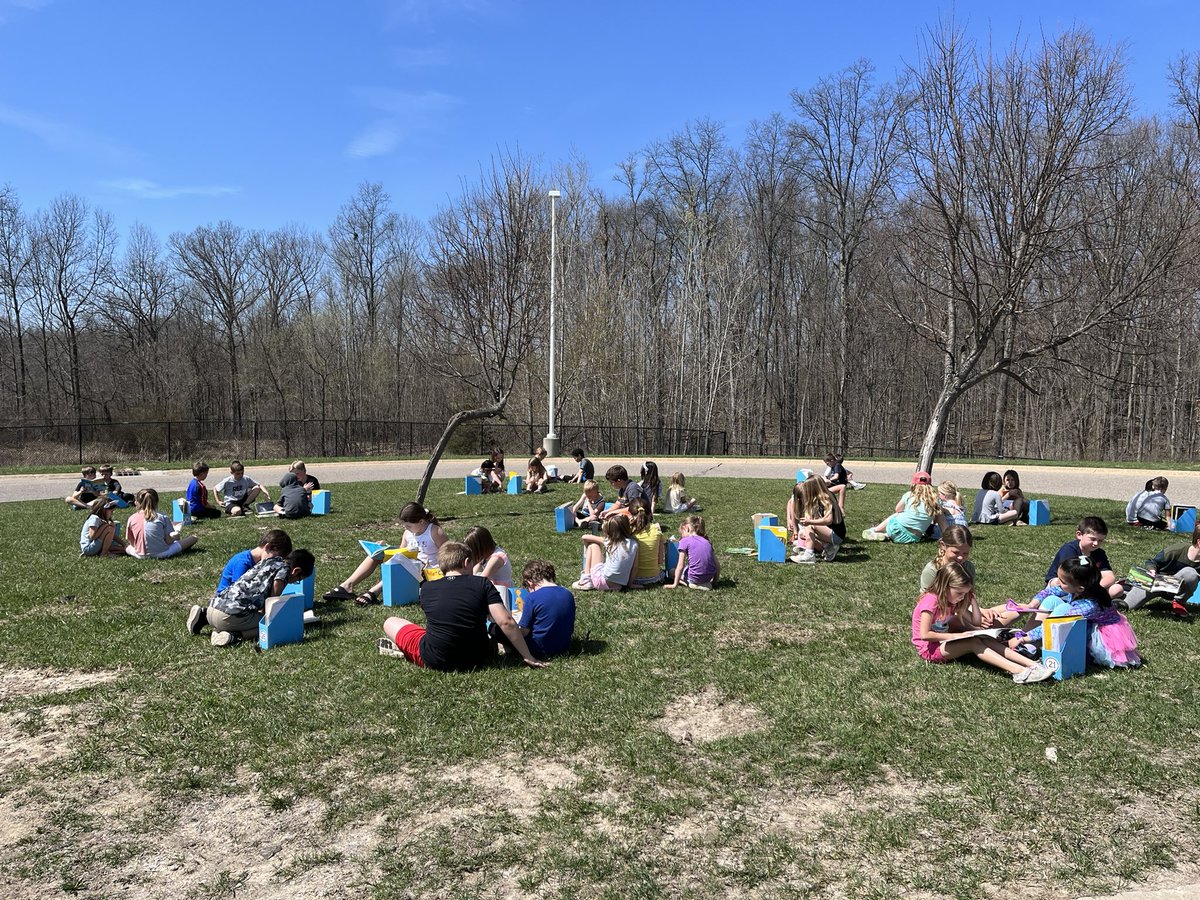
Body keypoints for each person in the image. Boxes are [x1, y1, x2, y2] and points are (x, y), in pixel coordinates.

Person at [380, 542, 547, 671]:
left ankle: (405, 649)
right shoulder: (482, 583)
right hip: (478, 658)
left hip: (436, 659)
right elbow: (506, 622)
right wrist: (528, 656)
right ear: (467, 562)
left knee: (390, 621)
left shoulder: (426, 588)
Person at [912, 562, 1053, 683]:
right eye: (960, 593)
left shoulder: (952, 601)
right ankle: (1018, 671)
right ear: (945, 586)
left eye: (964, 594)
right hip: (929, 649)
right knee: (973, 643)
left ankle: (1033, 665)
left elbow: (976, 621)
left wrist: (972, 601)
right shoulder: (931, 601)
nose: (961, 598)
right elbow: (925, 635)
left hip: (942, 642)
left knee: (982, 636)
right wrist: (956, 636)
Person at [1023, 556, 1141, 668]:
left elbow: (1055, 622)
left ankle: (1029, 642)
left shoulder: (1089, 605)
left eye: (1062, 581)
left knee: (1063, 609)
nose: (1058, 583)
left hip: (1101, 639)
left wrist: (1024, 638)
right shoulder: (1079, 588)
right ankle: (1027, 639)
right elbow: (1049, 592)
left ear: (1080, 588)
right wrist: (1032, 604)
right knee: (1051, 600)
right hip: (1083, 623)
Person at [324, 502, 447, 606]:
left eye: (409, 526)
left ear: (421, 521)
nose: (406, 528)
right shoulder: (408, 533)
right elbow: (402, 551)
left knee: (401, 563)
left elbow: (449, 555)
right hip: (409, 564)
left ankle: (373, 592)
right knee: (376, 554)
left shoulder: (435, 532)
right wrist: (386, 547)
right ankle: (347, 586)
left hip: (428, 572)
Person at [189, 548, 315, 647]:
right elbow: (272, 603)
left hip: (213, 608)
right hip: (229, 618)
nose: (294, 583)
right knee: (273, 623)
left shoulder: (270, 560)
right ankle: (234, 636)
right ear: (296, 571)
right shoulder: (285, 571)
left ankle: (202, 617)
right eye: (298, 580)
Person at [1121, 524, 1200, 615]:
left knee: (1190, 573)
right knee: (1126, 605)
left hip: (1178, 589)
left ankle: (1179, 603)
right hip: (1157, 583)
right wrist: (1152, 570)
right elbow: (1152, 562)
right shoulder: (1175, 551)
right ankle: (1125, 588)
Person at [1046, 517, 1123, 600]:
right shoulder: (1069, 550)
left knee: (1117, 589)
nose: (1096, 543)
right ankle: (1076, 600)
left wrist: (1093, 589)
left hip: (1088, 587)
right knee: (1058, 583)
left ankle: (1085, 599)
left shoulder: (1099, 553)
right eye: (1092, 539)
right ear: (1079, 535)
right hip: (1065, 583)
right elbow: (1068, 576)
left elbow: (1109, 576)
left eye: (1100, 540)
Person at [515, 559, 576, 658]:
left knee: (497, 629)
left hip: (538, 648)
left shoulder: (533, 597)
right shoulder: (567, 593)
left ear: (530, 582)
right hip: (564, 647)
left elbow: (524, 632)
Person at [862, 472, 939, 543]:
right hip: (914, 538)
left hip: (895, 529)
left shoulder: (909, 495)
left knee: (897, 515)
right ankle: (886, 535)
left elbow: (898, 509)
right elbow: (939, 519)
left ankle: (876, 530)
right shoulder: (935, 500)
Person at [214, 529, 294, 596]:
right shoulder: (242, 562)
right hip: (226, 600)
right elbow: (238, 591)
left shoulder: (261, 563)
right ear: (267, 547)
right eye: (276, 558)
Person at [125, 488, 199, 559]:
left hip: (139, 555)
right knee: (193, 538)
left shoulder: (131, 518)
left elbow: (132, 542)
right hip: (162, 553)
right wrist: (175, 536)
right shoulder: (161, 517)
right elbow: (168, 541)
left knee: (127, 547)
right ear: (157, 502)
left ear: (136, 502)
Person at [787, 477, 845, 563]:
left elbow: (828, 520)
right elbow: (791, 501)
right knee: (803, 533)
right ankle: (829, 548)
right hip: (829, 532)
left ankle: (809, 555)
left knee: (810, 526)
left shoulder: (826, 498)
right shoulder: (820, 497)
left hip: (836, 534)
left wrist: (810, 522)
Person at [574, 515, 638, 592]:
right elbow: (635, 567)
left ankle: (586, 579)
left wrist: (602, 539)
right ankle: (587, 578)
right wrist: (629, 585)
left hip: (601, 583)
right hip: (618, 586)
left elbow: (584, 537)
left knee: (593, 546)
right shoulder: (634, 544)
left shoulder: (609, 541)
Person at [664, 514, 719, 590]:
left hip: (694, 578)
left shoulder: (685, 541)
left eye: (682, 533)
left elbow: (680, 565)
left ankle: (690, 583)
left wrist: (675, 585)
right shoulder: (707, 542)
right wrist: (715, 582)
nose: (682, 536)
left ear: (687, 528)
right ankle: (704, 584)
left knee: (672, 571)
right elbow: (717, 564)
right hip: (708, 578)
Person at [919, 525, 976, 592]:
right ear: (943, 546)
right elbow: (925, 599)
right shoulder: (932, 570)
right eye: (955, 552)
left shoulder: (968, 567)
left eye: (965, 553)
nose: (960, 557)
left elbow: (971, 594)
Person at [628, 498, 665, 587]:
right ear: (649, 513)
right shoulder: (657, 531)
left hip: (631, 578)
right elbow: (660, 560)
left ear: (630, 514)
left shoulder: (628, 532)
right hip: (653, 578)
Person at [464, 525, 512, 590]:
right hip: (494, 588)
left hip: (503, 591)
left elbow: (483, 578)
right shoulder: (486, 555)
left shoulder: (496, 558)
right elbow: (474, 571)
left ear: (480, 548)